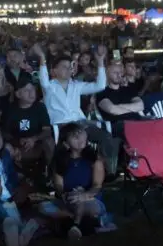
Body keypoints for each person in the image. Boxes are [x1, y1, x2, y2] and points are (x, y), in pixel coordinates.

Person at [33, 43, 120, 175]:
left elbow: (100, 85)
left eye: (70, 67)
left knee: (107, 138)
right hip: (62, 126)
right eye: (64, 67)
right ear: (54, 71)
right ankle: (60, 176)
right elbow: (43, 80)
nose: (68, 70)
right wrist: (42, 58)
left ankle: (108, 172)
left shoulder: (77, 85)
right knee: (74, 143)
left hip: (81, 124)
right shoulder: (49, 87)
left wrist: (100, 61)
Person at [44, 125, 108, 240]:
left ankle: (75, 224)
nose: (80, 138)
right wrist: (64, 194)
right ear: (66, 143)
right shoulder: (60, 162)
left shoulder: (95, 160)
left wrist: (84, 195)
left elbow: (97, 186)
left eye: (81, 133)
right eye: (74, 136)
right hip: (69, 199)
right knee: (42, 207)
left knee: (78, 201)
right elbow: (58, 185)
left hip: (92, 200)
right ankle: (84, 222)